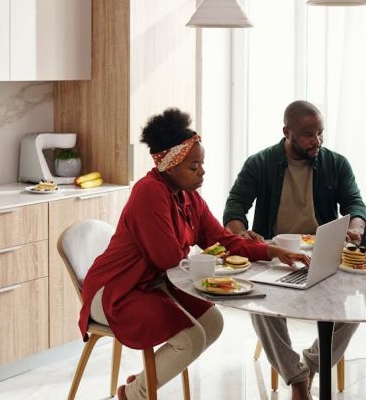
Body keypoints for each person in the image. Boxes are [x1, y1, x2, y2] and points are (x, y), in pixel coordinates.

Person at [78, 108, 310, 400]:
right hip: (115, 289)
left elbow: (222, 240)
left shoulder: (189, 197)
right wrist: (210, 254)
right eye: (194, 165)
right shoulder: (148, 192)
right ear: (170, 166)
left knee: (212, 323)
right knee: (190, 337)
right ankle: (133, 395)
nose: (202, 171)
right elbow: (168, 259)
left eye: (202, 163)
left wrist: (270, 251)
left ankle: (141, 382)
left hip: (151, 285)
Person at [223, 100, 366, 400]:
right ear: (286, 132)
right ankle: (297, 379)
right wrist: (241, 236)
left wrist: (355, 227)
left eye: (320, 133)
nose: (317, 140)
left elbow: (356, 203)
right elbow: (235, 205)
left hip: (323, 256)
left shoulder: (336, 164)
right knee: (257, 303)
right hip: (276, 255)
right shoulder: (259, 163)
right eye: (307, 134)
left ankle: (312, 364)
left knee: (354, 311)